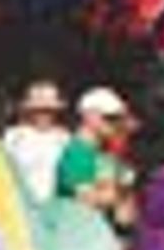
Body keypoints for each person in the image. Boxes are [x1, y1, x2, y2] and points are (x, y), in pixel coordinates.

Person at [52, 87, 134, 225]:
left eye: (118, 119)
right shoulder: (77, 153)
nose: (116, 124)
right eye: (110, 118)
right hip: (77, 237)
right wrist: (120, 191)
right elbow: (87, 200)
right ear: (90, 116)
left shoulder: (107, 154)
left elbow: (124, 217)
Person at [0, 81, 73, 204]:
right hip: (20, 207)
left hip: (56, 208)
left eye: (48, 110)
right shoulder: (13, 137)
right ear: (29, 111)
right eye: (38, 110)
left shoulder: (64, 138)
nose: (43, 115)